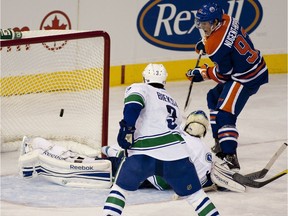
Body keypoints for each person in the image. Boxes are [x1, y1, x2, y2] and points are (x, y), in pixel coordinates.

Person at [19, 110, 245, 193]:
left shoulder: (177, 135)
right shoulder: (206, 152)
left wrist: (116, 151)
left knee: (100, 164)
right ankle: (44, 148)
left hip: (153, 174)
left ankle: (42, 148)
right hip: (161, 179)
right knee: (107, 161)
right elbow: (206, 179)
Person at [103, 63, 220, 216]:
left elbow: (133, 105)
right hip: (177, 156)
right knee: (197, 197)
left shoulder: (140, 87)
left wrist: (127, 129)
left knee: (120, 191)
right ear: (164, 80)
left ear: (144, 78)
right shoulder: (172, 102)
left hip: (144, 154)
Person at [186, 2, 269, 171]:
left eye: (205, 23)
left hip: (245, 78)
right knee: (213, 97)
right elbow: (225, 43)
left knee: (225, 115)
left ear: (215, 22)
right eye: (200, 23)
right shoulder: (228, 19)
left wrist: (202, 73)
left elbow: (224, 75)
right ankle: (220, 144)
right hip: (253, 66)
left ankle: (231, 158)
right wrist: (206, 42)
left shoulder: (215, 46)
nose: (202, 26)